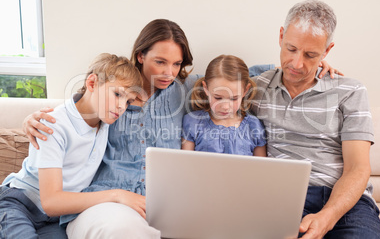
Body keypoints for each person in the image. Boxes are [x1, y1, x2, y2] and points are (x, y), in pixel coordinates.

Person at [23, 19, 339, 238]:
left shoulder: (182, 87)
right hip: (108, 203)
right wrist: (33, 118)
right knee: (123, 231)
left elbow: (232, 73)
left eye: (176, 64)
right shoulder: (114, 92)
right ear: (140, 55)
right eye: (160, 62)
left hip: (164, 205)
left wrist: (305, 65)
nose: (168, 72)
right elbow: (78, 111)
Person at [251, 0, 380, 238]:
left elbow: (358, 167)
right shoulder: (256, 86)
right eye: (291, 49)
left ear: (327, 51)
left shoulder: (350, 91)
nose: (297, 63)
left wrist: (327, 217)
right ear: (281, 36)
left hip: (345, 202)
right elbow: (207, 80)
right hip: (281, 198)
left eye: (311, 55)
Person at [0, 53, 144, 239]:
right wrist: (117, 195)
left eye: (128, 101)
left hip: (54, 219)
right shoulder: (52, 124)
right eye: (117, 94)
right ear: (92, 84)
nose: (122, 107)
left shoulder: (107, 121)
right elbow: (51, 201)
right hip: (19, 204)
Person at [182, 54, 266, 157]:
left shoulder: (254, 127)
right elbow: (186, 164)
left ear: (245, 91)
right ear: (206, 88)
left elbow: (261, 168)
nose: (225, 106)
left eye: (234, 98)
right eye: (218, 98)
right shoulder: (193, 123)